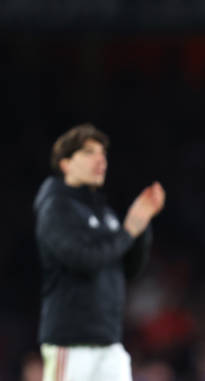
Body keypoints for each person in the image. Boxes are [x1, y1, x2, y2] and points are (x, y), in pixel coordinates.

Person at [33, 124, 166, 381]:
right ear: (65, 163)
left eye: (103, 153)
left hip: (109, 341)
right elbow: (83, 259)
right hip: (70, 342)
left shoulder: (101, 211)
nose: (100, 159)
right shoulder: (55, 206)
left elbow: (129, 268)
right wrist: (128, 230)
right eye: (88, 152)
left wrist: (141, 226)